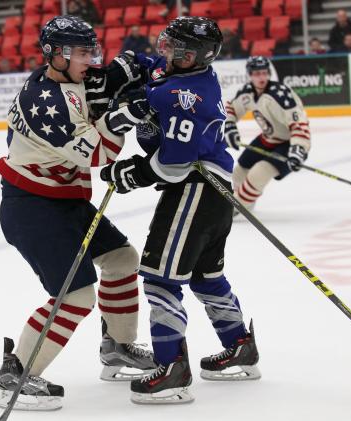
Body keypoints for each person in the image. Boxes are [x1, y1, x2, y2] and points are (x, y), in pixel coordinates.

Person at [0, 15, 156, 411]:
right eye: (83, 52)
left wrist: (125, 72)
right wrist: (123, 115)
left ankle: (117, 346)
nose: (92, 59)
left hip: (64, 200)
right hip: (33, 207)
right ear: (56, 54)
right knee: (77, 294)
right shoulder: (44, 101)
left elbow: (96, 87)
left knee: (122, 259)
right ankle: (18, 372)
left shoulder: (65, 79)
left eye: (91, 50)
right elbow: (100, 155)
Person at [100, 16, 260, 405]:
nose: (166, 53)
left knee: (159, 278)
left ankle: (171, 368)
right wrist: (129, 63)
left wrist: (130, 173)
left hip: (196, 188)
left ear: (196, 56)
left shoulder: (185, 97)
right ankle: (239, 346)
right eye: (166, 44)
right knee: (206, 275)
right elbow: (150, 68)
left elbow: (174, 164)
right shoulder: (183, 71)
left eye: (177, 50)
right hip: (217, 190)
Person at [223, 56, 311, 211]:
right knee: (239, 172)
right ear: (250, 75)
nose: (262, 77)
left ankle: (239, 206)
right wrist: (229, 125)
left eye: (264, 73)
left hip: (289, 143)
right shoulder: (247, 92)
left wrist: (298, 150)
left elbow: (299, 123)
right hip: (267, 139)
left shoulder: (281, 94)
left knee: (259, 172)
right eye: (257, 74)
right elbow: (231, 108)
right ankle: (243, 201)